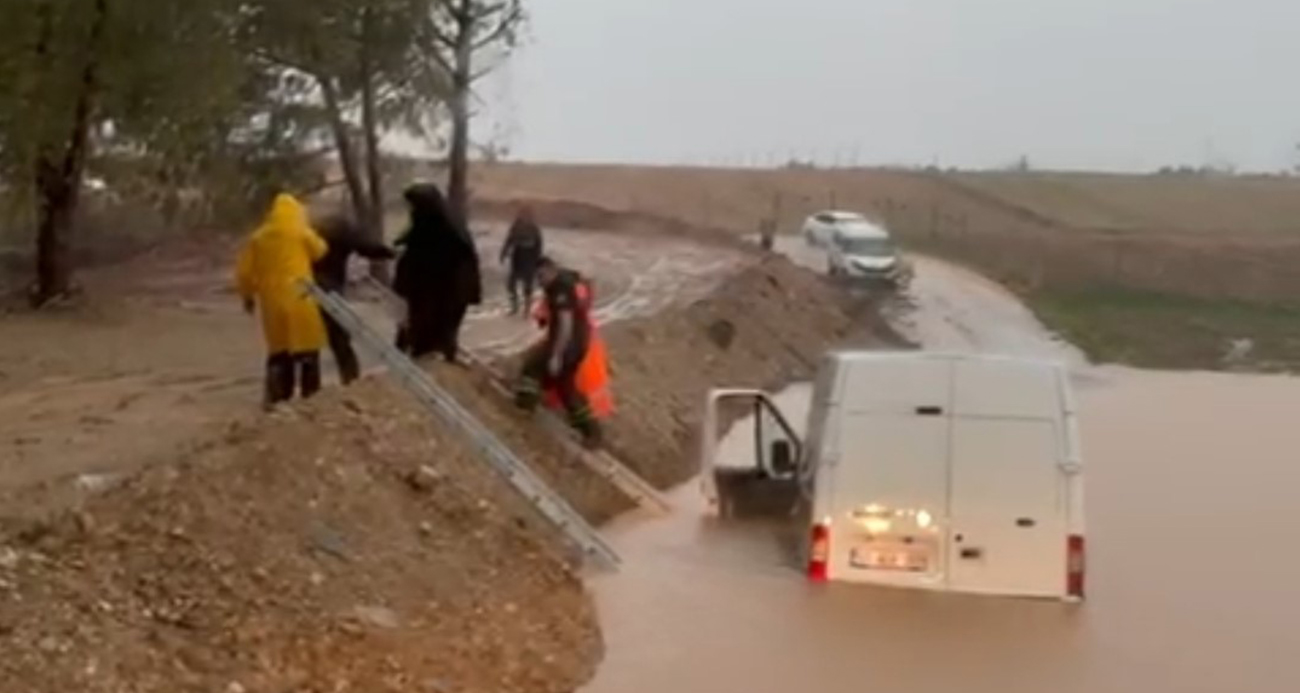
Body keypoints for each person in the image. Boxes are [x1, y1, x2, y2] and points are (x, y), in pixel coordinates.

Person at [236, 193, 329, 409]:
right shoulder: (301, 232)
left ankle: (277, 400)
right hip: (301, 297)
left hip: (272, 302)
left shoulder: (258, 238)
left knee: (279, 351)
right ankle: (311, 401)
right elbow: (320, 251)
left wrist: (248, 297)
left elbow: (244, 273)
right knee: (308, 349)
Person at [515, 257, 608, 449]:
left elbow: (565, 322)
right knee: (566, 387)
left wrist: (556, 354)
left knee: (532, 367)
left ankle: (524, 407)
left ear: (551, 270)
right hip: (579, 340)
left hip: (567, 343)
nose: (540, 282)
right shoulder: (568, 278)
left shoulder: (560, 287)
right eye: (537, 278)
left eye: (541, 276)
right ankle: (591, 430)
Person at [392, 183, 482, 363]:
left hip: (449, 289)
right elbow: (413, 238)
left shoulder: (444, 227)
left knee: (438, 331)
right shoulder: (432, 219)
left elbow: (434, 256)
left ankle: (438, 371)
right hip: (433, 288)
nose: (411, 209)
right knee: (423, 330)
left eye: (413, 204)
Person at [311, 212, 396, 385]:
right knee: (339, 337)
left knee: (305, 342)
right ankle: (349, 379)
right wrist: (391, 253)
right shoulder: (343, 231)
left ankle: (306, 390)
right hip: (329, 288)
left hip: (302, 287)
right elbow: (367, 248)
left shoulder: (309, 229)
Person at [500, 205, 544, 316]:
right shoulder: (516, 226)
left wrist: (537, 260)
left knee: (527, 286)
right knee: (511, 284)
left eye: (525, 214)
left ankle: (527, 309)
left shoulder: (534, 228)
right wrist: (503, 253)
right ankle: (514, 307)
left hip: (529, 259)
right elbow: (509, 240)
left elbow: (539, 245)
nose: (522, 216)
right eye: (521, 213)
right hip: (517, 257)